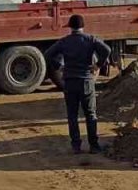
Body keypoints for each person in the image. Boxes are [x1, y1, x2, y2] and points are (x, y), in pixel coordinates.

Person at [44, 14, 113, 154]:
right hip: (86, 81)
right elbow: (107, 50)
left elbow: (48, 54)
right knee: (90, 114)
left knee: (72, 115)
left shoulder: (64, 41)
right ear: (83, 26)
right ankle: (94, 145)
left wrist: (59, 67)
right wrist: (98, 65)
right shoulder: (90, 39)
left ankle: (76, 146)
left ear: (70, 27)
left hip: (69, 82)